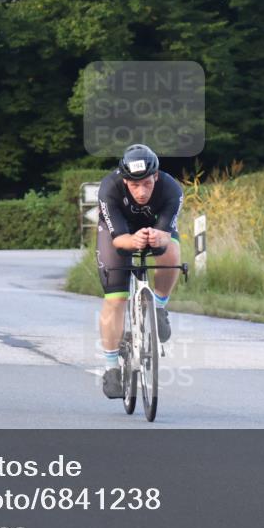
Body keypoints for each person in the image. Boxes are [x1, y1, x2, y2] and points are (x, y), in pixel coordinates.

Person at [95, 144, 183, 399]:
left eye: (146, 183)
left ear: (156, 176)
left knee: (172, 250)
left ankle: (158, 306)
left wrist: (158, 237)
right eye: (134, 185)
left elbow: (167, 233)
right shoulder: (109, 188)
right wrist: (131, 241)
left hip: (156, 229)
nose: (141, 191)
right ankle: (111, 367)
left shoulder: (171, 188)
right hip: (118, 234)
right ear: (124, 180)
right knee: (115, 300)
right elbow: (118, 239)